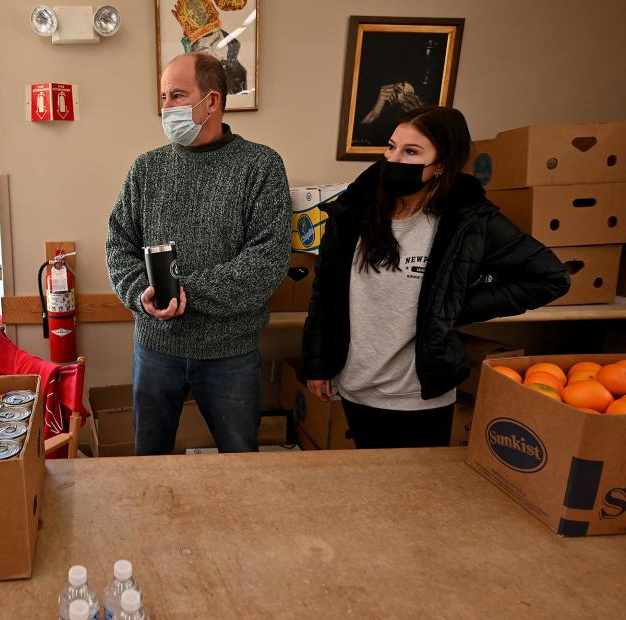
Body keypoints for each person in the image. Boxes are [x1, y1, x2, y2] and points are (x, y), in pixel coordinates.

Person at [301, 106, 570, 449]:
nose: (394, 159)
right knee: (371, 490)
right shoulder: (354, 212)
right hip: (355, 387)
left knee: (418, 497)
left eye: (411, 152)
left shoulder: (468, 221)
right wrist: (317, 363)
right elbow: (325, 294)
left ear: (441, 164)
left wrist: (454, 304)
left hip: (419, 397)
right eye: (391, 147)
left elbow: (551, 277)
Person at [106, 53, 290, 455]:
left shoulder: (261, 166)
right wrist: (143, 293)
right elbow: (118, 245)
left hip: (230, 352)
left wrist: (183, 294)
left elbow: (267, 260)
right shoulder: (145, 170)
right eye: (162, 96)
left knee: (240, 460)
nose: (166, 107)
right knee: (148, 462)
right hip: (156, 348)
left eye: (176, 95)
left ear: (212, 101)